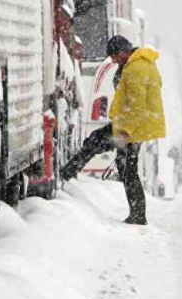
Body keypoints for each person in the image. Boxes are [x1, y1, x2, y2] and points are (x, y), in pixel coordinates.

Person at [61, 36, 166, 225]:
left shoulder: (136, 69)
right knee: (125, 166)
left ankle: (65, 175)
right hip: (133, 124)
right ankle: (137, 213)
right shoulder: (137, 64)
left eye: (115, 57)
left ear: (123, 52)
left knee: (97, 144)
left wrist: (125, 131)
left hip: (132, 127)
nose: (114, 61)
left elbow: (137, 104)